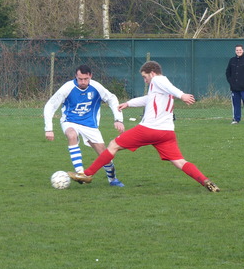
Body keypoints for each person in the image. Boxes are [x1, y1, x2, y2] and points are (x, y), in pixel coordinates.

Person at [67, 61, 220, 192]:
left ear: (152, 73)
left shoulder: (158, 80)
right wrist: (128, 104)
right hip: (167, 133)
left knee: (113, 145)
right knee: (179, 161)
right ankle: (205, 181)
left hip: (149, 129)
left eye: (144, 77)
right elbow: (148, 99)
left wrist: (182, 95)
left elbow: (169, 86)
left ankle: (87, 174)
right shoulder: (159, 89)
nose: (145, 81)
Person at [44, 65, 125, 187]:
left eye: (85, 79)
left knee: (104, 155)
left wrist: (118, 119)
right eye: (80, 79)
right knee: (71, 135)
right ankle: (80, 173)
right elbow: (50, 105)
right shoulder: (67, 87)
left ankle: (112, 179)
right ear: (76, 76)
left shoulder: (96, 87)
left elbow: (112, 99)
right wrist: (49, 129)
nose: (83, 82)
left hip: (90, 125)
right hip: (70, 121)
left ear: (90, 76)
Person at [225, 44, 244, 124]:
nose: (238, 51)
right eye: (237, 50)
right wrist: (231, 81)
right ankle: (236, 119)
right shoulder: (232, 60)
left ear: (243, 50)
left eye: (240, 50)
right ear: (235, 51)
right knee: (235, 104)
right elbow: (228, 72)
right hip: (234, 88)